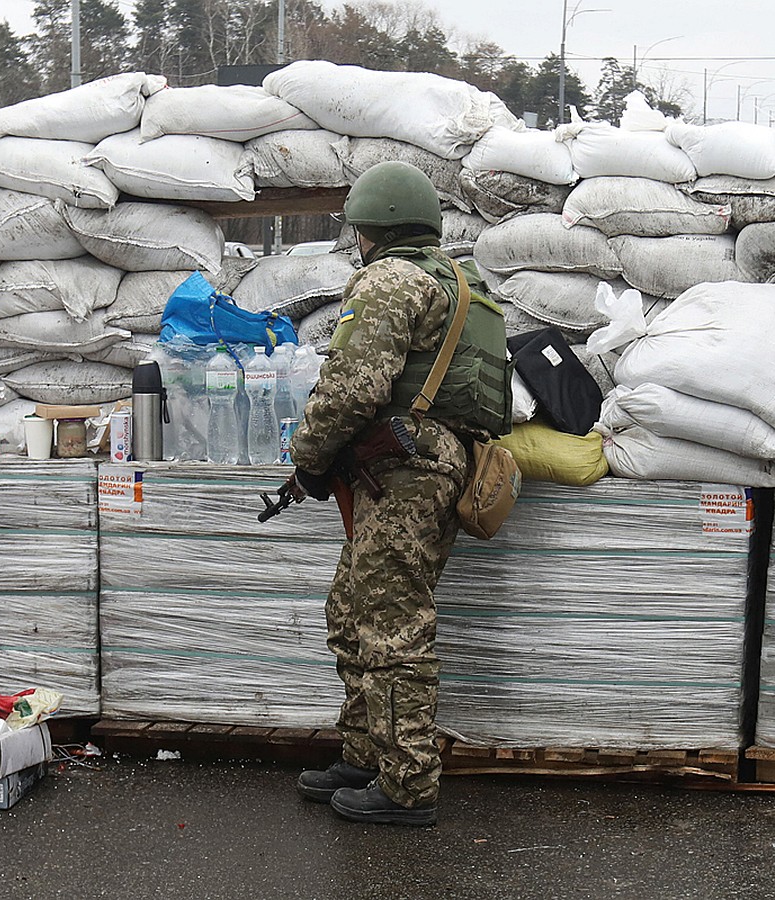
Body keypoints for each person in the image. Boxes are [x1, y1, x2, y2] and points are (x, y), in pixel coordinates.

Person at [289, 160, 512, 827]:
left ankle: (408, 783)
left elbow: (353, 385)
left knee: (390, 625)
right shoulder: (463, 283)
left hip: (404, 471)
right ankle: (364, 754)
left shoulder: (390, 279)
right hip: (433, 465)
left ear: (373, 226)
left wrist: (307, 460)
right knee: (354, 611)